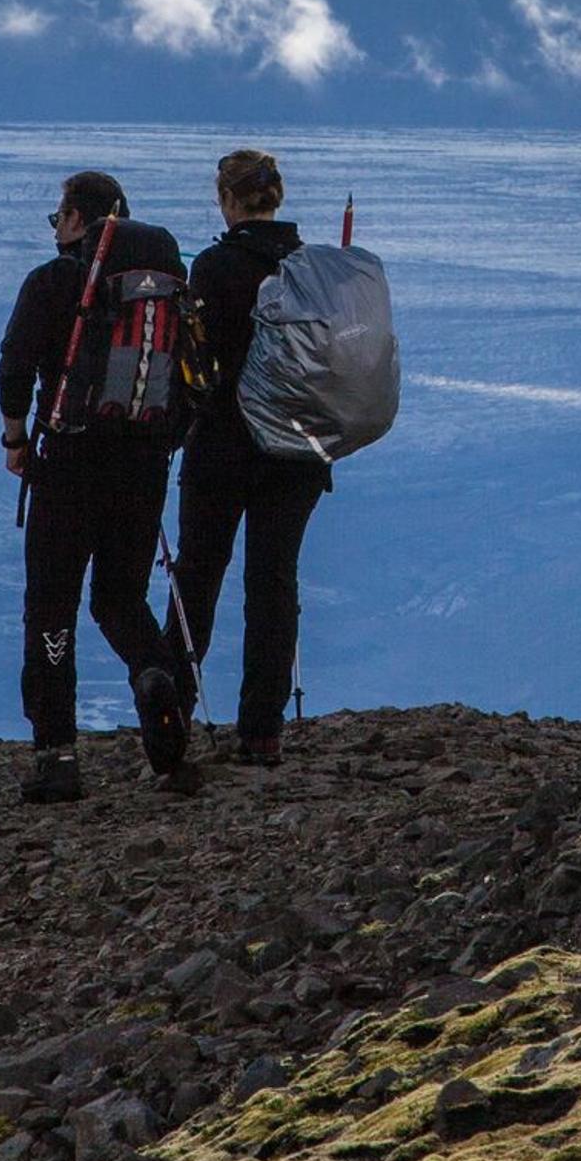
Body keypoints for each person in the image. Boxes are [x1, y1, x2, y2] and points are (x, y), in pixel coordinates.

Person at [0, 170, 198, 803]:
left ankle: (57, 756)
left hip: (67, 464)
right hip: (143, 466)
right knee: (120, 599)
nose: (56, 229)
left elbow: (14, 365)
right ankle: (155, 675)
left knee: (52, 604)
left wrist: (14, 440)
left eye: (57, 217)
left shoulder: (54, 282)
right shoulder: (166, 290)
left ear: (79, 220)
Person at [173, 148, 329, 765]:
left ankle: (173, 715)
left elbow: (195, 363)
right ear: (278, 197)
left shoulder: (214, 266)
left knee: (197, 580)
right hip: (297, 453)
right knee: (273, 584)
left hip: (222, 449)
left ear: (228, 201)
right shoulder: (314, 268)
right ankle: (262, 730)